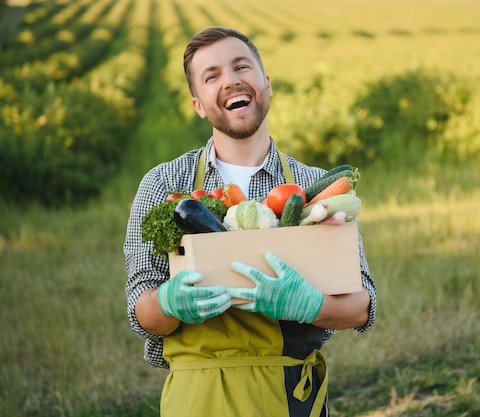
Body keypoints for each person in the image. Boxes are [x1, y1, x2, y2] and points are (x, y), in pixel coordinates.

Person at [123, 26, 376, 417]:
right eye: (212, 76)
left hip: (292, 396)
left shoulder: (314, 187)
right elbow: (141, 310)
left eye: (241, 66)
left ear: (266, 84)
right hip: (199, 399)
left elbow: (362, 305)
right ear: (198, 106)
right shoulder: (164, 183)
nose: (230, 80)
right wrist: (169, 303)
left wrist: (309, 305)